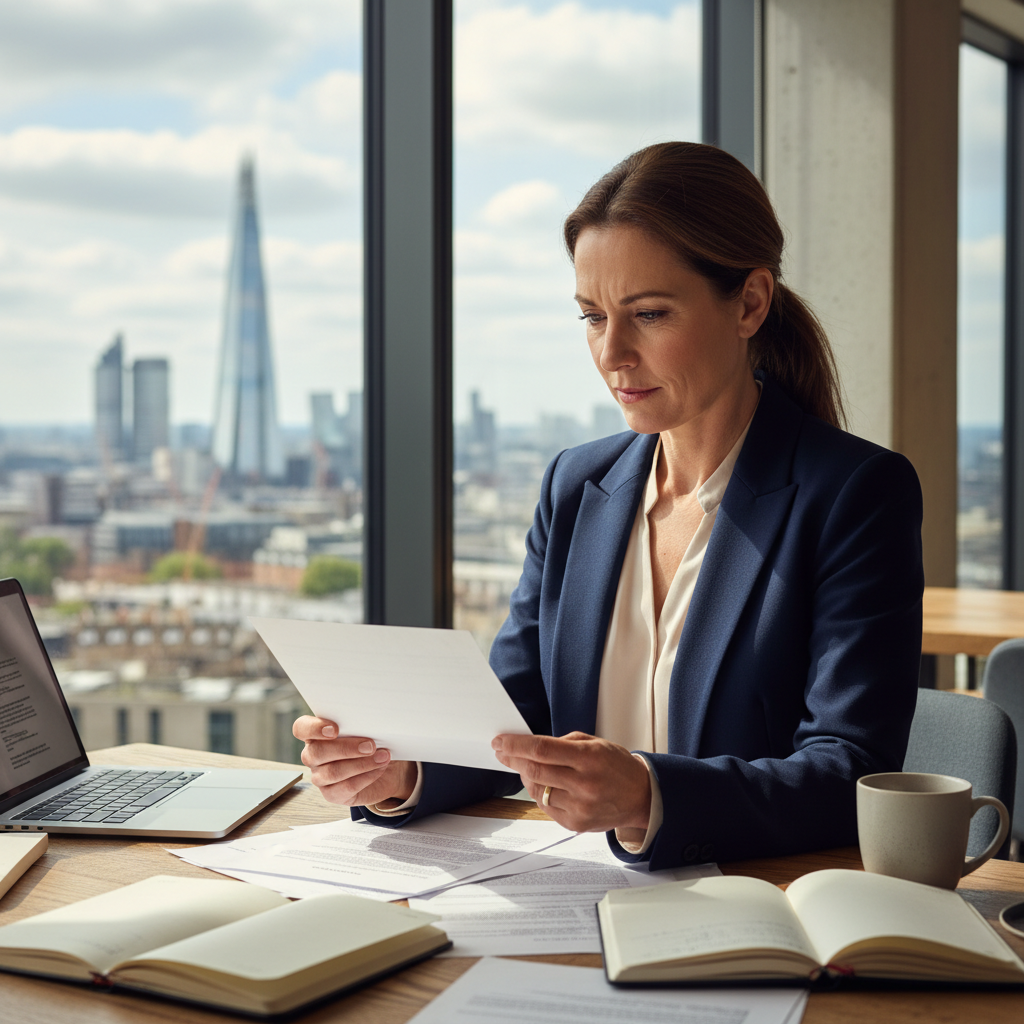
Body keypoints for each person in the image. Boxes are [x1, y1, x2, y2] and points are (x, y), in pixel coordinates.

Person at [294, 142, 924, 870]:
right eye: (593, 317)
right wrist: (402, 772)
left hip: (755, 910)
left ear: (750, 303)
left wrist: (648, 794)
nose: (613, 353)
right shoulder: (576, 485)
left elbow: (849, 771)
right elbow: (515, 721)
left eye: (649, 313)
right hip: (574, 900)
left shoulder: (854, 494)